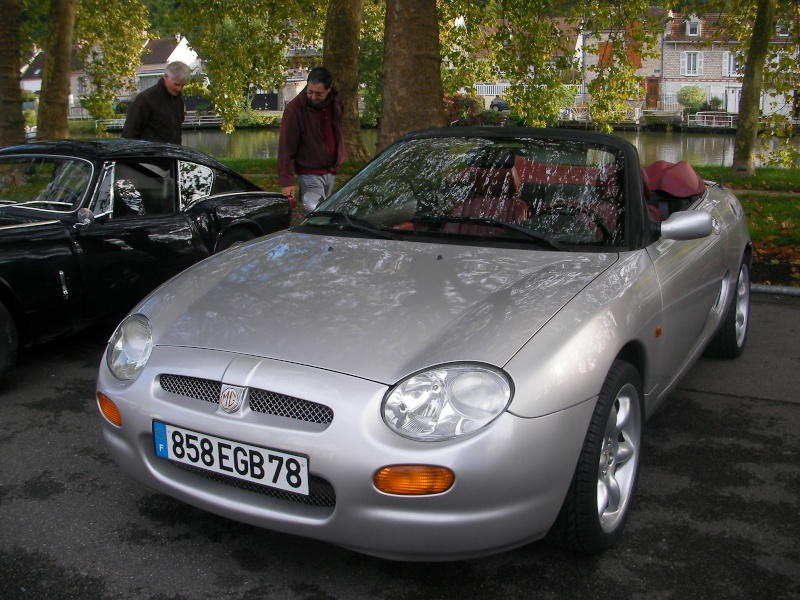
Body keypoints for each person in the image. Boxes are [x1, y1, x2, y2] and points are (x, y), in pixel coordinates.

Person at [278, 66, 345, 214]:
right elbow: (285, 147)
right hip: (309, 171)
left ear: (329, 89)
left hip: (331, 169)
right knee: (316, 211)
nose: (313, 97)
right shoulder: (295, 109)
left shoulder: (336, 102)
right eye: (310, 92)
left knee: (326, 213)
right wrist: (286, 181)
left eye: (318, 94)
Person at [122, 61, 191, 145]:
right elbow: (129, 133)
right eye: (176, 84)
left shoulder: (178, 100)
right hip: (148, 155)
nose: (179, 89)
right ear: (166, 76)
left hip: (171, 154)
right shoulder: (146, 99)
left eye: (182, 86)